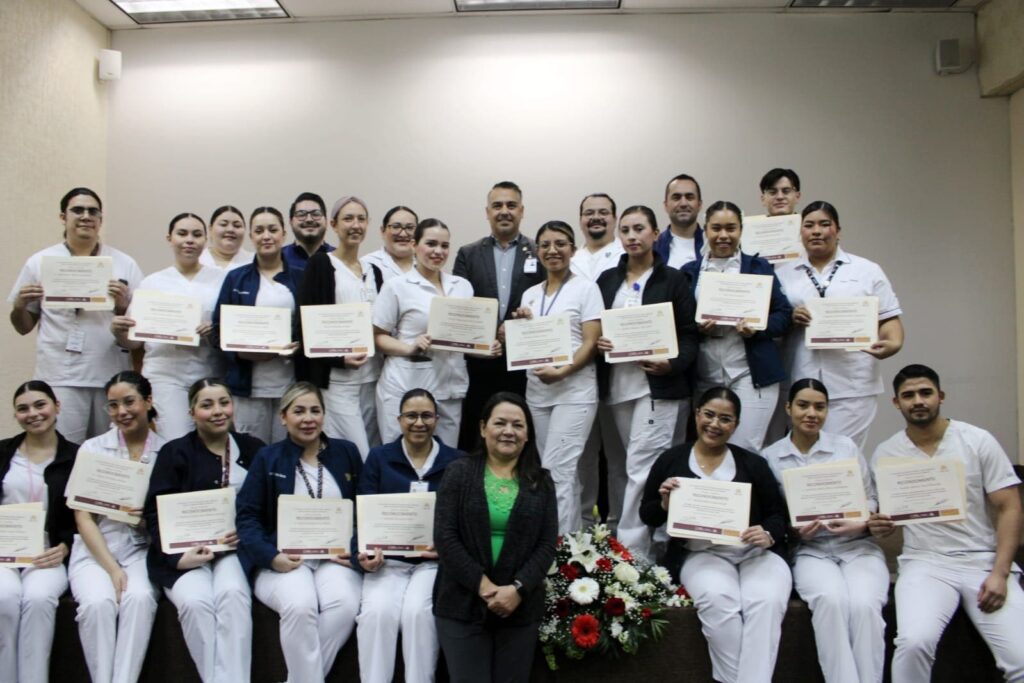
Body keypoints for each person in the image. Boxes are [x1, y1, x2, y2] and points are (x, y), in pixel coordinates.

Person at [868, 364, 1024, 683]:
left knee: (1021, 658)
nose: (918, 400)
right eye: (908, 395)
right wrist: (881, 526)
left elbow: (1010, 507)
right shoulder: (886, 453)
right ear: (897, 403)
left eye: (925, 392)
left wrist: (1000, 573)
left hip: (982, 562)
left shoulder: (977, 441)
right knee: (912, 643)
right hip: (924, 563)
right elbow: (888, 517)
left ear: (940, 396)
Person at [640, 387, 790, 683]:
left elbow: (778, 515)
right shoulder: (671, 460)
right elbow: (648, 515)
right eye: (708, 415)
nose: (715, 424)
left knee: (766, 603)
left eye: (725, 419)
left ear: (735, 425)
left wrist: (768, 533)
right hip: (702, 555)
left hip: (755, 555)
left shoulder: (753, 463)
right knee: (719, 603)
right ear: (696, 415)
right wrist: (665, 505)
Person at [235, 382, 364, 683]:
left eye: (315, 410)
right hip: (283, 559)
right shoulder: (268, 458)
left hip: (334, 559)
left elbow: (364, 508)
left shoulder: (346, 453)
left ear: (324, 415)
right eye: (299, 411)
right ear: (283, 417)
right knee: (300, 605)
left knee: (345, 605)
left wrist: (354, 548)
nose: (308, 418)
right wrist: (272, 557)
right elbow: (248, 517)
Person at [762, 378, 888, 683]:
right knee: (830, 603)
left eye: (820, 407)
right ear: (788, 408)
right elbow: (772, 516)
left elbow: (869, 496)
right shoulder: (770, 457)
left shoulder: (845, 447)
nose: (811, 413)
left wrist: (862, 521)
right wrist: (794, 532)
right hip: (810, 551)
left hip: (858, 547)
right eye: (803, 405)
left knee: (864, 607)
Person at [595, 205, 699, 560]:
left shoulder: (673, 279)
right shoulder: (607, 279)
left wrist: (670, 364)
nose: (632, 236)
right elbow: (594, 327)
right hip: (616, 387)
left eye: (640, 229)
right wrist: (599, 342)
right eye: (625, 230)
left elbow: (689, 336)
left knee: (642, 467)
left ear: (656, 234)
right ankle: (636, 538)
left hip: (658, 388)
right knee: (620, 466)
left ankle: (631, 554)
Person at [143, 378, 264, 683]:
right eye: (207, 404)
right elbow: (154, 513)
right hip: (183, 554)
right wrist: (178, 558)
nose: (218, 411)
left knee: (233, 596)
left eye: (224, 402)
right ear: (191, 411)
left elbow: (268, 505)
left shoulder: (253, 449)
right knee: (196, 602)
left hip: (234, 551)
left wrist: (248, 532)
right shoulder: (174, 453)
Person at [433, 392, 557, 683]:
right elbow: (445, 537)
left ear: (528, 434)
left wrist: (517, 589)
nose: (508, 431)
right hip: (461, 604)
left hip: (520, 607)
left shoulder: (541, 480)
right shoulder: (458, 473)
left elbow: (546, 544)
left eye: (518, 425)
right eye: (500, 423)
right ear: (482, 428)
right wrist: (485, 587)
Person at [8, 187, 143, 444]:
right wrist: (19, 305)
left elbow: (139, 329)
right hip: (60, 375)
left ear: (101, 219)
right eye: (77, 210)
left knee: (110, 451)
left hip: (109, 374)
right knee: (65, 451)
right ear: (63, 217)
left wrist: (123, 304)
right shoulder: (41, 261)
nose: (85, 216)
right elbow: (23, 327)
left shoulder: (124, 263)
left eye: (93, 211)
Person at [775, 201, 904, 450]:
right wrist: (790, 318)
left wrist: (891, 344)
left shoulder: (868, 270)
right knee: (804, 452)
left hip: (852, 382)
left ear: (838, 230)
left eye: (825, 224)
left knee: (843, 454)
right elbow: (773, 320)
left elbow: (889, 321)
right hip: (801, 377)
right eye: (809, 225)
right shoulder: (783, 272)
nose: (817, 231)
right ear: (800, 232)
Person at [355, 388, 462, 683]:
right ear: (399, 419)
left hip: (432, 563)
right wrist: (364, 555)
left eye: (426, 415)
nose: (419, 423)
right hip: (385, 562)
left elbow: (464, 519)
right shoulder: (379, 458)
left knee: (419, 615)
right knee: (376, 614)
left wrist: (445, 549)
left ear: (437, 419)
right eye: (411, 416)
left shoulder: (457, 462)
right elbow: (362, 511)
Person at [68, 371, 164, 683]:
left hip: (141, 549)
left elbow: (170, 517)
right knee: (97, 605)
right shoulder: (93, 449)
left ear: (148, 402)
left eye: (129, 402)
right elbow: (83, 517)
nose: (121, 412)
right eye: (113, 405)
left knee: (139, 599)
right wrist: (111, 569)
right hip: (97, 550)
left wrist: (148, 516)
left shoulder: (168, 451)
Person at [512, 220, 602, 534]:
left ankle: (557, 551)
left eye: (560, 244)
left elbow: (591, 342)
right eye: (546, 245)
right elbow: (523, 343)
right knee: (556, 472)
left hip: (574, 392)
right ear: (537, 252)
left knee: (557, 470)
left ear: (572, 250)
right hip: (538, 393)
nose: (553, 250)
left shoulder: (586, 288)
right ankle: (575, 542)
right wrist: (519, 323)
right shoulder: (529, 295)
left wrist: (563, 371)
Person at [681, 201, 792, 452]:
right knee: (708, 447)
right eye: (716, 228)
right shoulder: (688, 272)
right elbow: (678, 324)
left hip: (751, 373)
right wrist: (697, 328)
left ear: (741, 230)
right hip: (705, 374)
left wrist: (758, 328)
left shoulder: (758, 267)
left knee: (746, 450)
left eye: (731, 228)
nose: (723, 235)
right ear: (705, 231)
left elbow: (784, 315)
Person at [111, 213, 227, 440]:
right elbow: (134, 342)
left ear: (206, 239)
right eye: (182, 234)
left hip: (209, 372)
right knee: (175, 439)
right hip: (165, 375)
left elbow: (231, 329)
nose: (189, 240)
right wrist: (119, 332)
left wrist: (216, 330)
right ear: (169, 238)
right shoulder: (152, 283)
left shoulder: (223, 280)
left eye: (197, 234)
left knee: (211, 440)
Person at [373, 219, 485, 447]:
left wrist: (486, 348)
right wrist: (409, 347)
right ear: (414, 245)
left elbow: (467, 340)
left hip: (450, 387)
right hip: (407, 384)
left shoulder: (462, 286)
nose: (438, 251)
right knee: (400, 458)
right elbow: (377, 336)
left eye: (444, 246)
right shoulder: (397, 286)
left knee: (444, 461)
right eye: (431, 244)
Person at [453, 181, 545, 451]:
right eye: (497, 205)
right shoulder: (467, 254)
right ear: (487, 212)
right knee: (476, 434)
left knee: (521, 436)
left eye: (511, 205)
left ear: (522, 210)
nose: (504, 211)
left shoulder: (539, 252)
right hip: (480, 363)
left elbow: (547, 301)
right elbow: (461, 306)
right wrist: (493, 332)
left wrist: (515, 329)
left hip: (523, 365)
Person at [0, 381, 78, 683]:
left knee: (38, 599)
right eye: (23, 408)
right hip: (4, 555)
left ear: (56, 407)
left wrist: (66, 546)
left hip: (49, 555)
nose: (33, 413)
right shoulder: (3, 453)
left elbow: (84, 517)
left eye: (40, 405)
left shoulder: (76, 457)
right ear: (16, 415)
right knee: (4, 598)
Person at [296, 196, 383, 458]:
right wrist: (338, 358)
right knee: (356, 453)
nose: (355, 225)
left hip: (372, 376)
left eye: (360, 219)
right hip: (337, 380)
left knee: (373, 446)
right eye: (347, 219)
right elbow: (306, 324)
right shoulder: (322, 264)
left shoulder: (373, 270)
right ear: (333, 224)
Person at [212, 206, 301, 444]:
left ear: (284, 234)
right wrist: (241, 353)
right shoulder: (236, 278)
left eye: (273, 229)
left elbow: (311, 327)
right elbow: (218, 329)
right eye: (259, 230)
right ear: (251, 237)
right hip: (247, 387)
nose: (266, 236)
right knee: (251, 452)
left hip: (289, 383)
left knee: (287, 451)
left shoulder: (300, 277)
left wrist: (299, 347)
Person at [571, 194, 628, 533]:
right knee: (582, 457)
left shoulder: (629, 255)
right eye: (589, 213)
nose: (596, 218)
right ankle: (581, 529)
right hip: (575, 372)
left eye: (603, 213)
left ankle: (619, 527)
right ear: (580, 219)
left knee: (619, 457)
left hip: (618, 372)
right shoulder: (570, 258)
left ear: (614, 218)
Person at [655, 173, 705, 269]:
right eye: (676, 197)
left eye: (689, 197)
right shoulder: (654, 247)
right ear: (666, 205)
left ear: (699, 205)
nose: (683, 203)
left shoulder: (712, 245)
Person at [361, 206, 418, 282]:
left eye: (410, 228)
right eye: (396, 227)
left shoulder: (426, 264)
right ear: (382, 231)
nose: (403, 234)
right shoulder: (367, 264)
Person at [282, 192, 334, 273]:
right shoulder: (277, 259)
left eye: (316, 214)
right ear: (291, 222)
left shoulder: (338, 260)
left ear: (326, 222)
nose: (309, 219)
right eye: (301, 214)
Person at [199, 205, 253, 271]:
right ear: (210, 229)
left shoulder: (255, 262)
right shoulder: (197, 260)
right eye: (223, 224)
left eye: (237, 226)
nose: (230, 229)